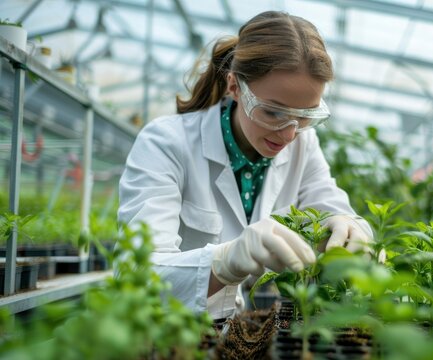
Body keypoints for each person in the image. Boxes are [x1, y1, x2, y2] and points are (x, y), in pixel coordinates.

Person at [118, 10, 374, 319]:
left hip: (251, 330)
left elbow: (333, 208)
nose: (290, 133)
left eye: (306, 115)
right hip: (176, 331)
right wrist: (224, 262)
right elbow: (135, 276)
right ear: (234, 87)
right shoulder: (166, 143)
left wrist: (351, 227)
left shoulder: (304, 146)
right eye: (273, 112)